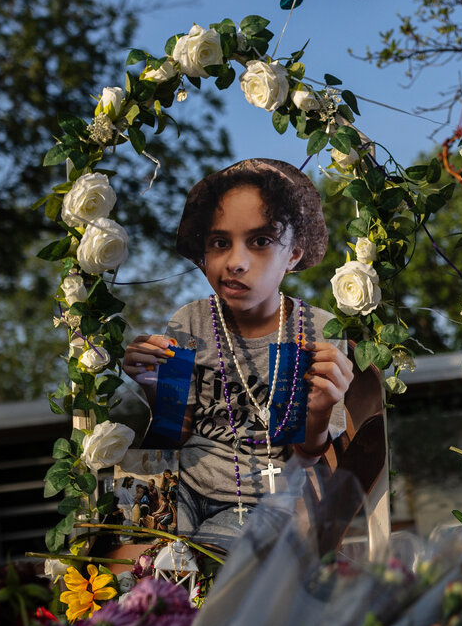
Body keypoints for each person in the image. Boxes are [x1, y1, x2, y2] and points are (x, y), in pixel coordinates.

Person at [121, 159, 364, 548]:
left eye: (261, 241)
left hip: (263, 501)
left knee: (207, 562)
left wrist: (320, 410)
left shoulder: (315, 330)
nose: (235, 261)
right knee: (127, 551)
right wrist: (154, 385)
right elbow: (177, 431)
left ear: (294, 255)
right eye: (220, 243)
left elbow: (310, 453)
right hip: (183, 484)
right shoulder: (190, 322)